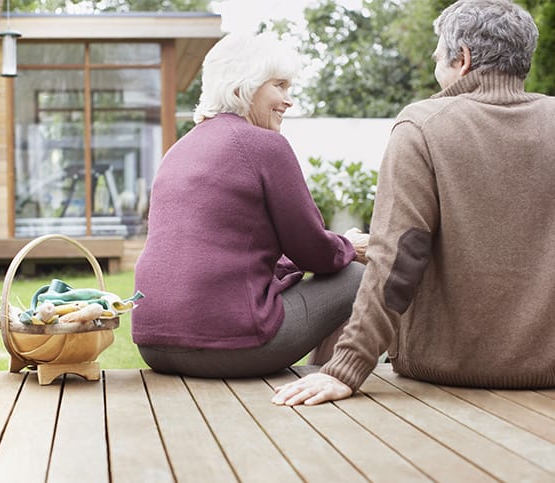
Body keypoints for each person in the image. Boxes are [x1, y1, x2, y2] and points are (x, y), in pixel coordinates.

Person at [272, 0, 555, 406]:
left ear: (463, 58)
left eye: (438, 53)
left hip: (449, 370)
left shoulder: (424, 125)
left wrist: (346, 368)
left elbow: (399, 256)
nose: (435, 62)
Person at [132, 32, 368, 378]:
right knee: (356, 276)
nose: (289, 100)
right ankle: (331, 380)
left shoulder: (180, 149)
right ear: (245, 86)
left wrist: (333, 249)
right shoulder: (265, 145)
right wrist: (350, 246)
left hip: (154, 346)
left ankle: (324, 376)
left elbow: (225, 251)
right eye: (279, 85)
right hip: (230, 347)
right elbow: (315, 253)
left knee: (341, 266)